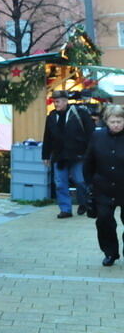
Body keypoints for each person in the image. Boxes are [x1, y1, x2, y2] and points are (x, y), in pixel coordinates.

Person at [43, 90, 95, 218]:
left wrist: (91, 152)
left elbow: (91, 132)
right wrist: (45, 155)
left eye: (58, 101)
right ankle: (65, 209)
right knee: (60, 183)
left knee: (80, 181)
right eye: (54, 101)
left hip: (78, 154)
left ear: (66, 101)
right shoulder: (51, 116)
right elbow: (47, 137)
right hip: (59, 156)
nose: (56, 104)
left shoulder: (79, 113)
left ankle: (84, 203)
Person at [83, 104, 124, 266]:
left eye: (120, 121)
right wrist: (89, 184)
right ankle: (110, 252)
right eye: (113, 121)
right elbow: (89, 161)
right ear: (106, 121)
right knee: (104, 221)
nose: (116, 125)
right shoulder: (97, 137)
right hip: (103, 188)